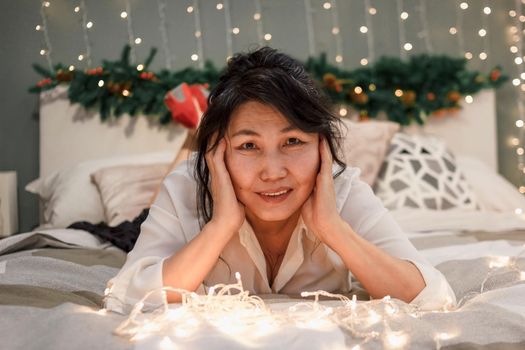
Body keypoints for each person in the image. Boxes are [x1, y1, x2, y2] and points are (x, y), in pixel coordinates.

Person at [105, 47, 456, 313]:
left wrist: (333, 228)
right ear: (219, 151)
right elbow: (125, 298)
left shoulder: (343, 189)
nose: (272, 171)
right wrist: (221, 225)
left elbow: (434, 298)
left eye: (293, 142)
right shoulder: (186, 186)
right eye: (248, 146)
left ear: (321, 146)